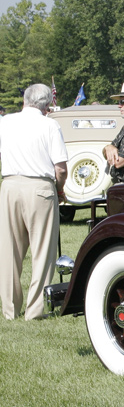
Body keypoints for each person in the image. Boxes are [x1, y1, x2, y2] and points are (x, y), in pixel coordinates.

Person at [0, 83, 69, 320]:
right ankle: (35, 309)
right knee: (42, 251)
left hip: (9, 185)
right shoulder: (50, 125)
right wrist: (60, 190)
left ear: (24, 100)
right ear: (46, 105)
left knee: (8, 251)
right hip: (39, 186)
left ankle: (9, 309)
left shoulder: (5, 121)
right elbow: (60, 168)